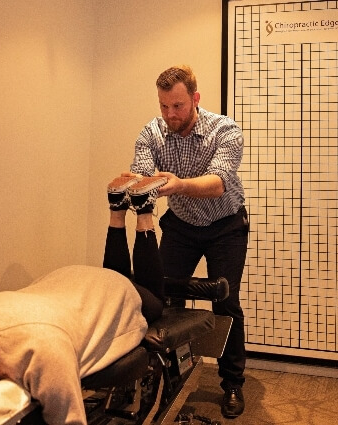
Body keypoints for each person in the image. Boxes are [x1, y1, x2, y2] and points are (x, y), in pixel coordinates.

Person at [0, 177, 226, 425]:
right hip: (67, 279)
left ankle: (143, 211)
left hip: (101, 292)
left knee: (153, 298)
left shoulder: (44, 352)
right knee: (120, 280)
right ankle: (118, 207)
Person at [127, 65, 249, 419]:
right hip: (180, 225)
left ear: (195, 99)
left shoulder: (224, 130)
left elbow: (218, 182)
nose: (170, 115)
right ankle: (165, 375)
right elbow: (144, 177)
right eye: (164, 106)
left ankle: (232, 383)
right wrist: (138, 184)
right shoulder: (152, 133)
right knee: (159, 298)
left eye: (177, 106)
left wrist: (178, 184)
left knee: (226, 302)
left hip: (226, 225)